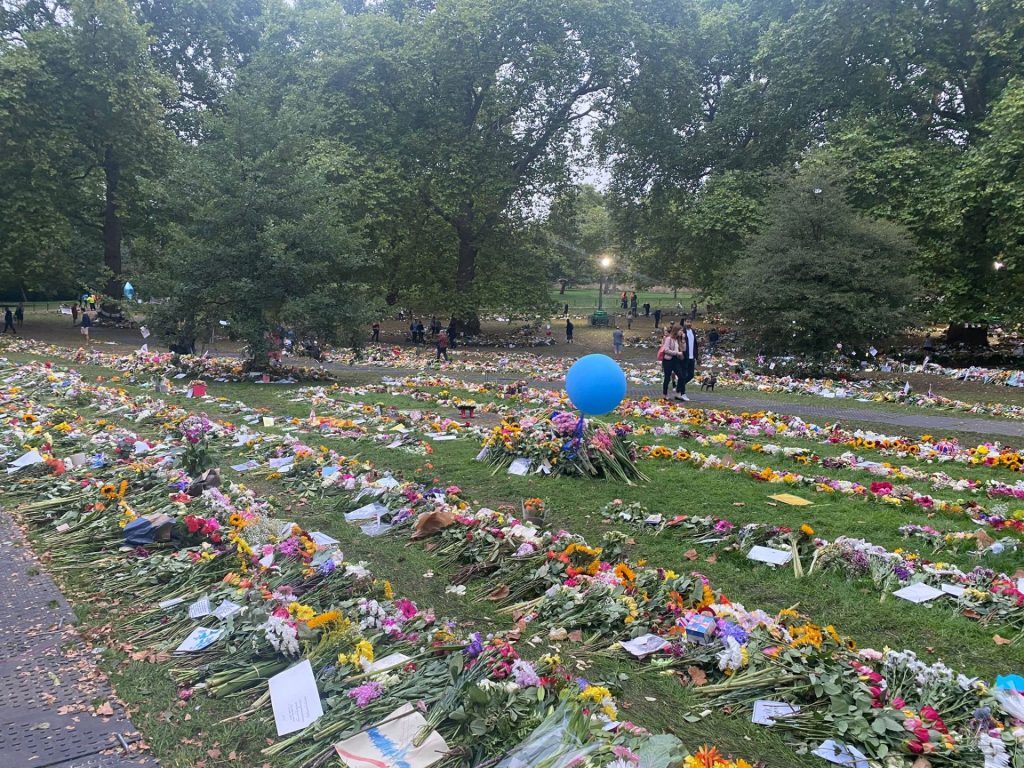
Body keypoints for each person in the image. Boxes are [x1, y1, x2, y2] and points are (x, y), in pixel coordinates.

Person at [677, 320, 698, 401]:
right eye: (687, 322)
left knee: (691, 375)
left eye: (690, 322)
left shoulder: (692, 331)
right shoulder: (682, 332)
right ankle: (683, 393)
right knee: (683, 374)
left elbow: (695, 344)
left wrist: (696, 355)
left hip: (692, 356)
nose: (689, 323)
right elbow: (679, 343)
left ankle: (679, 387)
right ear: (684, 323)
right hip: (685, 356)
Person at [659, 329, 679, 399]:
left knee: (681, 375)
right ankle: (665, 394)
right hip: (668, 360)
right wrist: (676, 353)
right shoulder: (668, 339)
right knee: (667, 378)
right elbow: (666, 350)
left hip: (675, 360)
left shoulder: (677, 340)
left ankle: (677, 391)